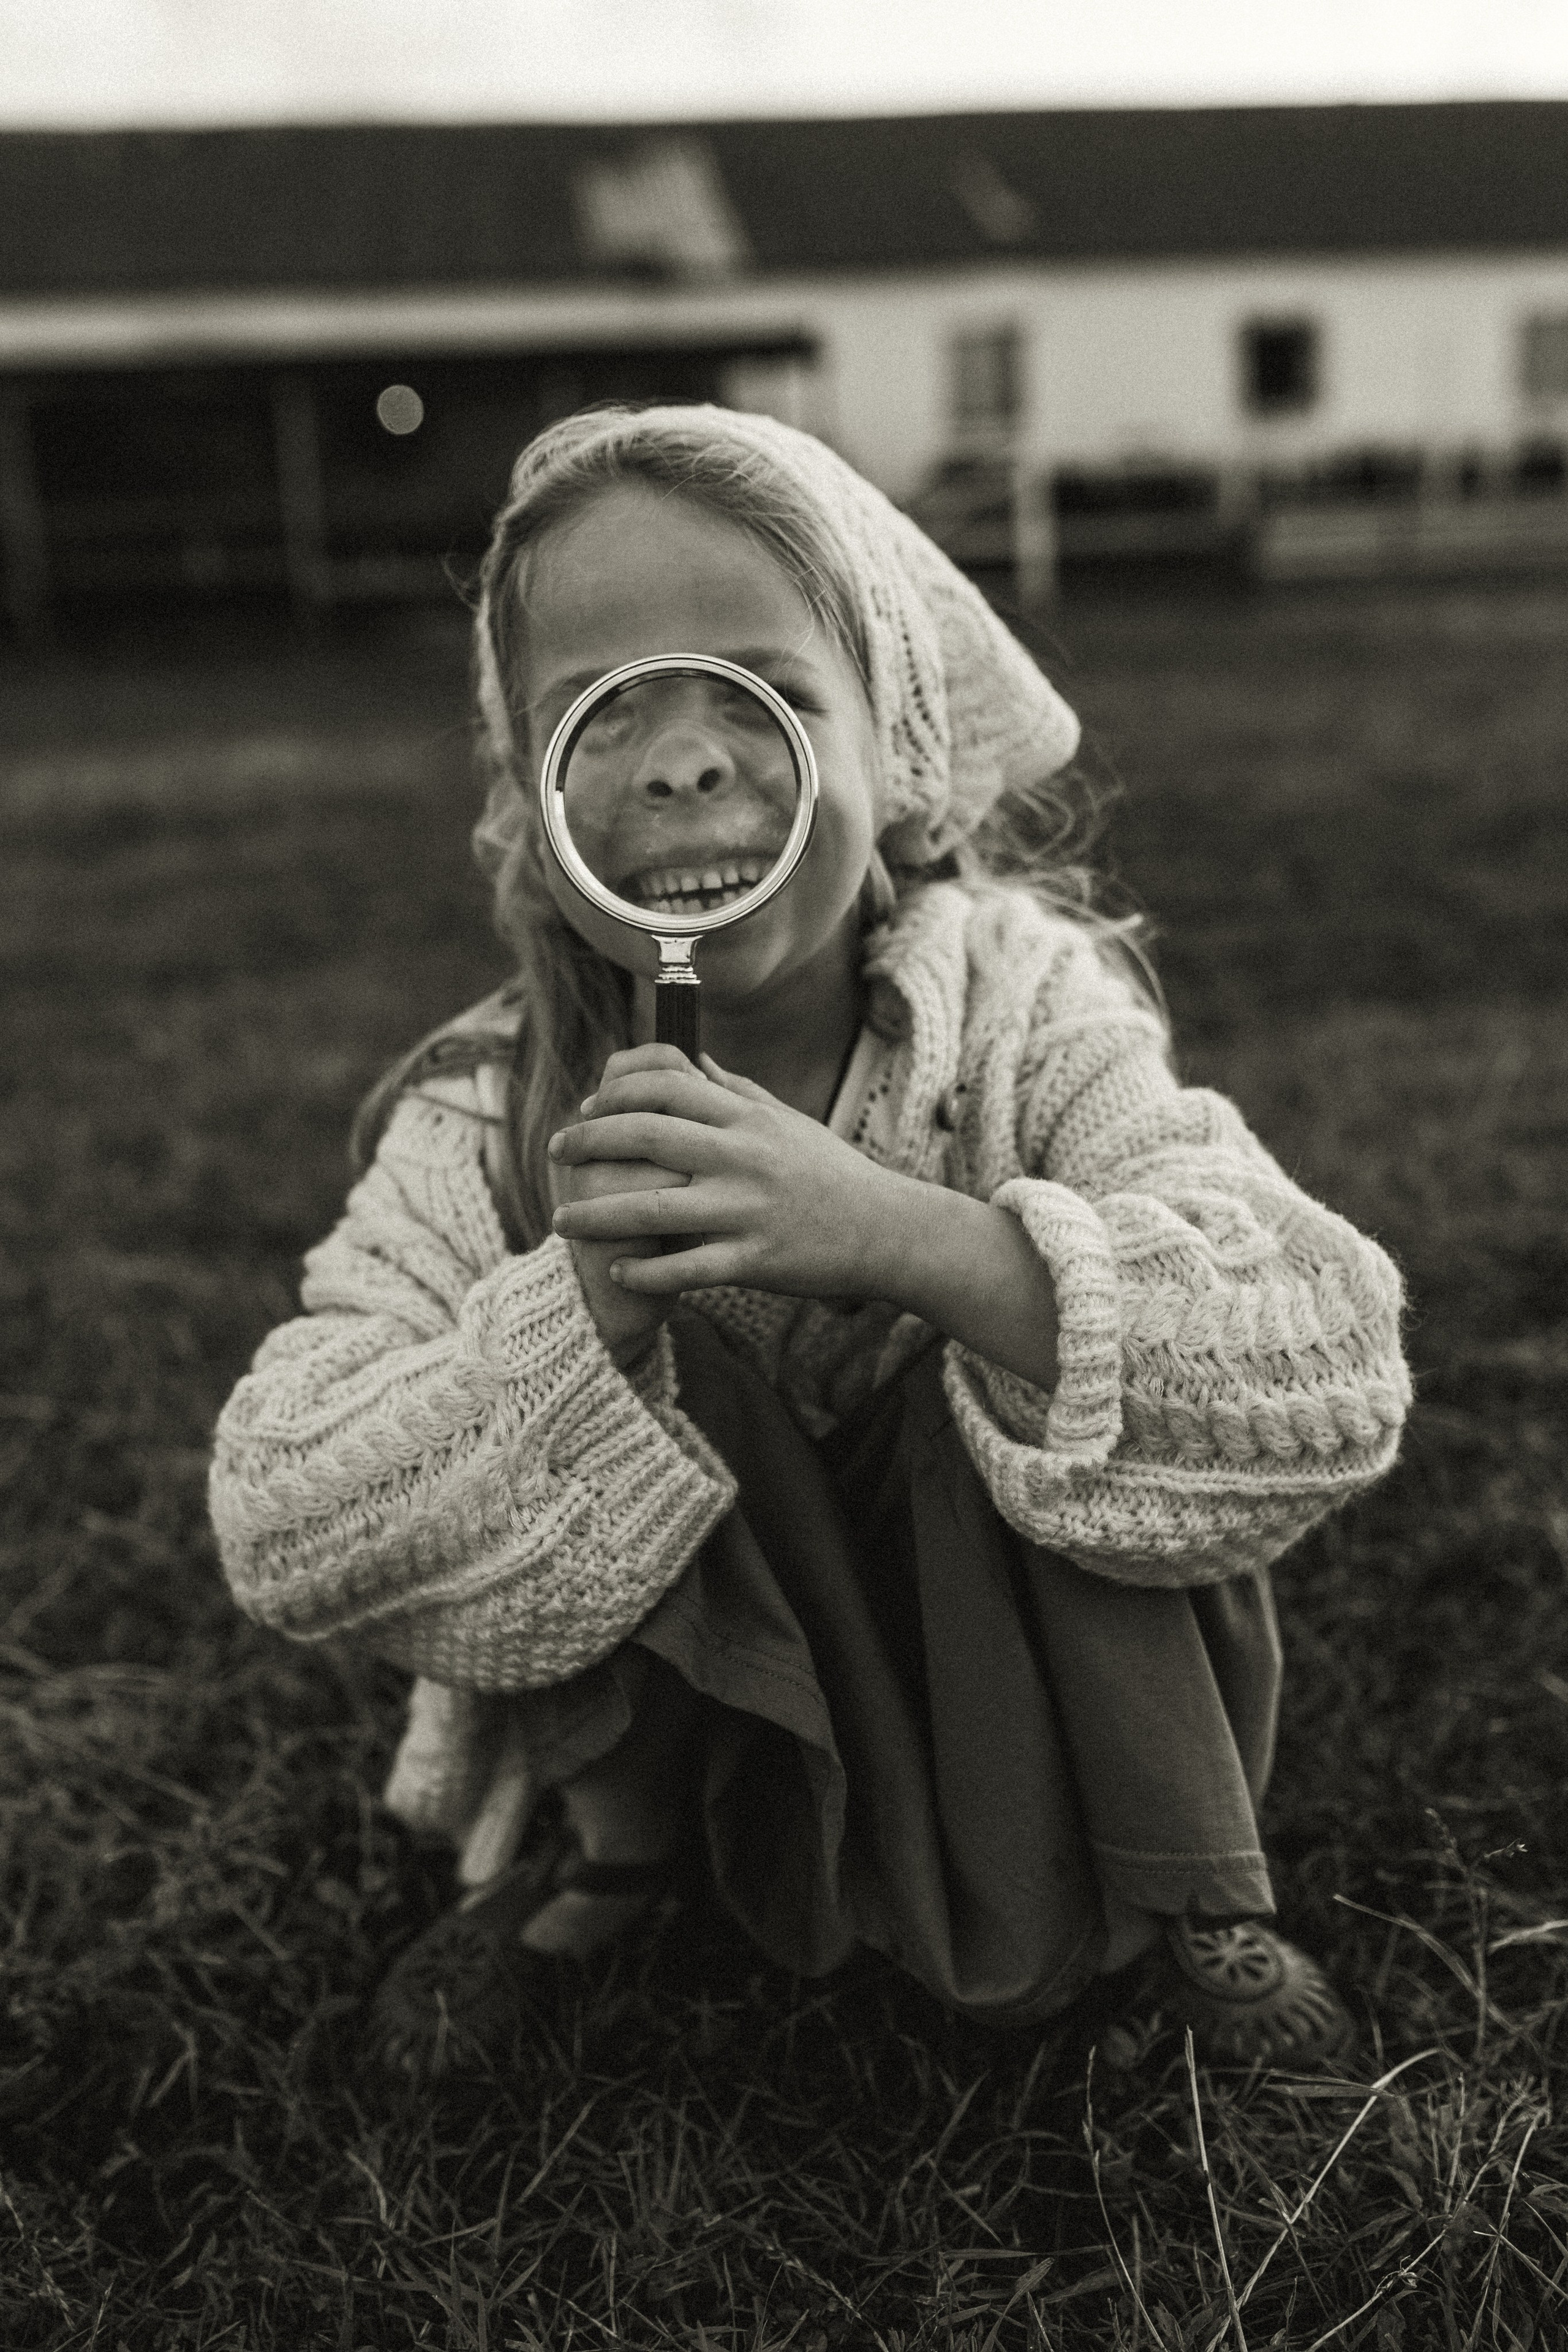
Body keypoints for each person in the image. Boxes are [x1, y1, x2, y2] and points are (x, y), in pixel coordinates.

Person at [208, 405, 1411, 2082]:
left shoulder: (1021, 1015)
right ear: (533, 814)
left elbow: (1331, 1357)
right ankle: (621, 1856)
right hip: (726, 1713)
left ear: (894, 746)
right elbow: (282, 1518)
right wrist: (581, 1321)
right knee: (617, 1371)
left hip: (1007, 1689)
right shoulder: (488, 1111)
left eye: (759, 691)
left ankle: (1187, 1878)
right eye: (605, 715)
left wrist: (928, 1245)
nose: (688, 761)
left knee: (1061, 1335)